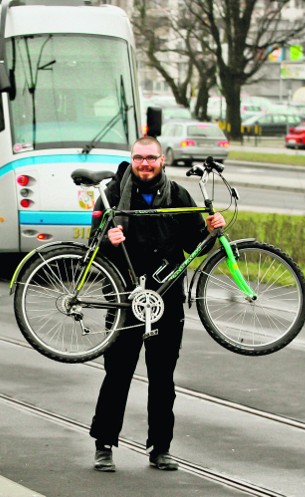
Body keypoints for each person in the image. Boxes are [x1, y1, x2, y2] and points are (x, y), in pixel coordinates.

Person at [89, 136, 225, 472]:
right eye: (139, 158)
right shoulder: (110, 195)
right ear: (131, 159)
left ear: (162, 160)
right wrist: (108, 238)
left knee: (163, 379)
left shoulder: (178, 195)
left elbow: (195, 245)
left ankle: (160, 448)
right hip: (125, 301)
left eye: (151, 158)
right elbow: (92, 245)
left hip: (167, 300)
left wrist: (211, 230)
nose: (145, 164)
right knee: (117, 374)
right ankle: (103, 445)